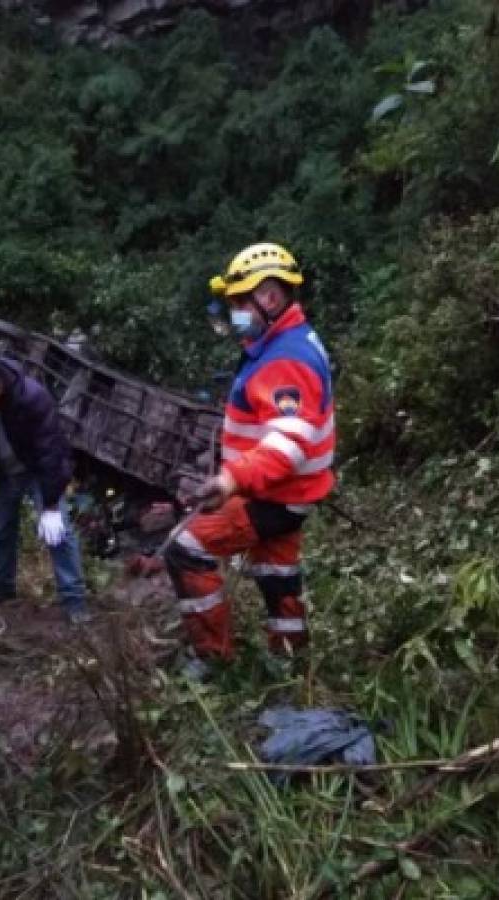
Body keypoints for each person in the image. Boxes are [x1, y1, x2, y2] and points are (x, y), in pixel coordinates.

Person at [164, 242, 335, 679]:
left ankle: (212, 659)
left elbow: (287, 444)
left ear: (272, 296)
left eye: (241, 301)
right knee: (276, 571)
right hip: (287, 493)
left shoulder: (285, 360)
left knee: (187, 549)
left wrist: (229, 480)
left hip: (273, 493)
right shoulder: (286, 341)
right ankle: (292, 659)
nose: (234, 311)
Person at [0, 352, 88, 622]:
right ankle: (2, 589)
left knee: (59, 535)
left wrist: (51, 504)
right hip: (0, 475)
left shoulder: (32, 399)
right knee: (0, 532)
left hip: (36, 470)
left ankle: (74, 601)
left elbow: (50, 452)